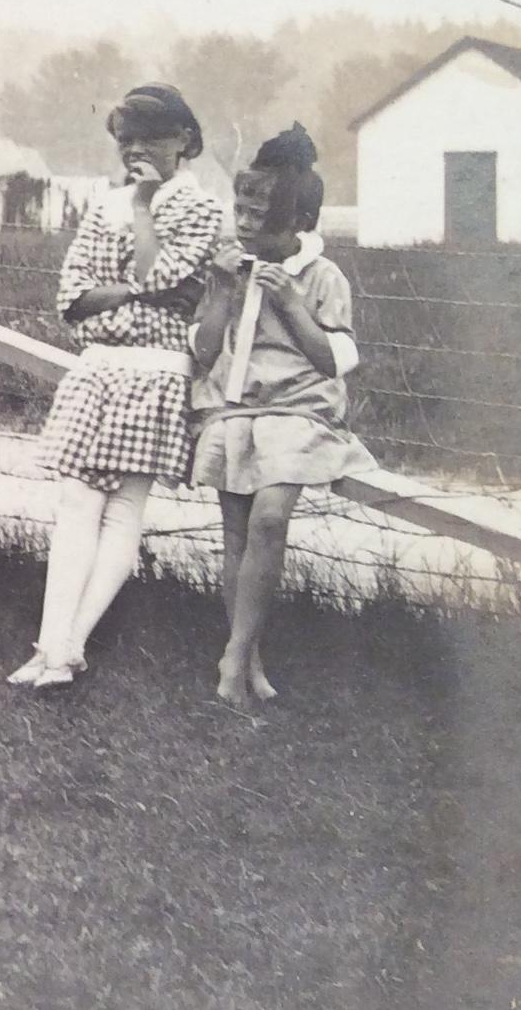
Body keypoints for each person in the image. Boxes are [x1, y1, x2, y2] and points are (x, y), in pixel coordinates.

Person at [8, 83, 224, 691]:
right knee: (77, 501)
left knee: (123, 507)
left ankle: (63, 648)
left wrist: (145, 217)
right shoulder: (103, 204)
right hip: (99, 368)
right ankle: (55, 647)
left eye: (151, 138)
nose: (136, 152)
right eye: (126, 141)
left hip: (155, 372)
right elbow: (71, 298)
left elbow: (165, 276)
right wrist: (139, 293)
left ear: (184, 139)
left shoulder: (202, 209)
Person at [190, 124, 375, 705]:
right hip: (235, 407)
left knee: (270, 519)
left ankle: (232, 657)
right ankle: (249, 659)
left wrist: (290, 303)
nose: (243, 225)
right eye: (239, 210)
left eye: (258, 216)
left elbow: (330, 362)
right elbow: (202, 353)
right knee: (236, 533)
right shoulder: (229, 266)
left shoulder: (322, 277)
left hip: (299, 410)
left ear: (296, 224)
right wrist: (221, 291)